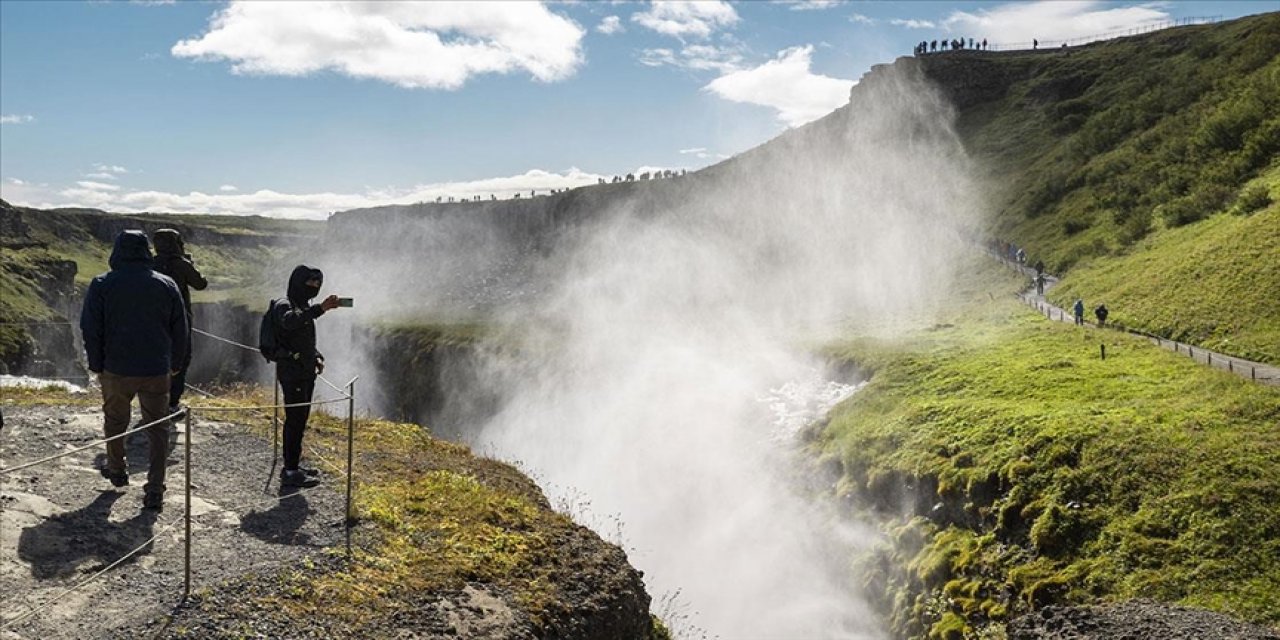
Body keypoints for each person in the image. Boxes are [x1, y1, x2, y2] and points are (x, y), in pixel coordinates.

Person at [80, 230, 188, 510]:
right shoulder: (166, 284)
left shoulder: (102, 284)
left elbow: (90, 328)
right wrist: (176, 362)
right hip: (156, 368)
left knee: (115, 422)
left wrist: (96, 363)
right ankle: (155, 488)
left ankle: (116, 469)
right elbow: (180, 328)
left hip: (116, 369)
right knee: (158, 429)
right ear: (145, 251)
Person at [271, 265, 341, 487]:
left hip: (303, 371)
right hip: (293, 373)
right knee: (295, 420)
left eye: (317, 284)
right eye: (310, 283)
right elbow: (290, 322)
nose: (314, 287)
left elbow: (301, 338)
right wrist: (320, 309)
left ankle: (293, 464)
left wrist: (316, 356)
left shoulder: (302, 306)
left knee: (299, 420)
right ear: (297, 282)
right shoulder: (285, 305)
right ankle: (290, 471)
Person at [151, 229, 208, 419]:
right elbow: (201, 284)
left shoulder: (151, 263)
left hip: (156, 320)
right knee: (181, 359)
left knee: (157, 358)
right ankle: (172, 404)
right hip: (180, 320)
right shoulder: (181, 264)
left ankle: (154, 402)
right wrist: (190, 264)